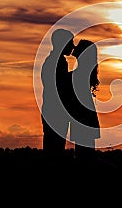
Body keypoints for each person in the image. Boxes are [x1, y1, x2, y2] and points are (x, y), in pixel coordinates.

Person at [41, 28, 74, 158]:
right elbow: (60, 87)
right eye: (70, 42)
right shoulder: (57, 62)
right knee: (55, 149)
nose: (73, 46)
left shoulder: (53, 60)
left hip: (51, 110)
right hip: (55, 112)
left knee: (53, 147)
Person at [69, 39, 100, 161]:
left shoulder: (79, 74)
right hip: (85, 116)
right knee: (85, 154)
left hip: (82, 117)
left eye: (78, 46)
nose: (74, 47)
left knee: (84, 156)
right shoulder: (84, 72)